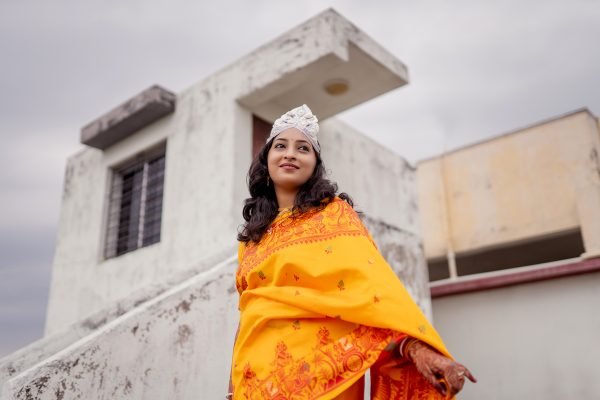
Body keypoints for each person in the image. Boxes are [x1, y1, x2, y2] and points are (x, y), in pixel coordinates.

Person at [228, 104, 476, 399]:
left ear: (315, 164)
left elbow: (373, 297)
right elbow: (247, 315)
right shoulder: (251, 239)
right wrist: (231, 390)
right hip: (254, 381)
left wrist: (416, 348)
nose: (290, 153)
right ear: (266, 159)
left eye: (303, 148)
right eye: (280, 146)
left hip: (328, 380)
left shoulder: (335, 216)